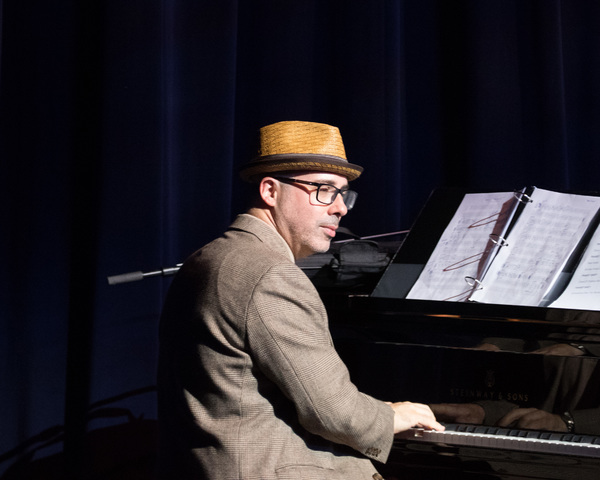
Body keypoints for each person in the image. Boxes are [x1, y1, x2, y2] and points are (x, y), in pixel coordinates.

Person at [157, 120, 444, 480]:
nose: (340, 208)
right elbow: (333, 413)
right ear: (270, 191)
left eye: (343, 194)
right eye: (324, 189)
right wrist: (392, 416)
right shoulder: (270, 273)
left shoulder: (208, 258)